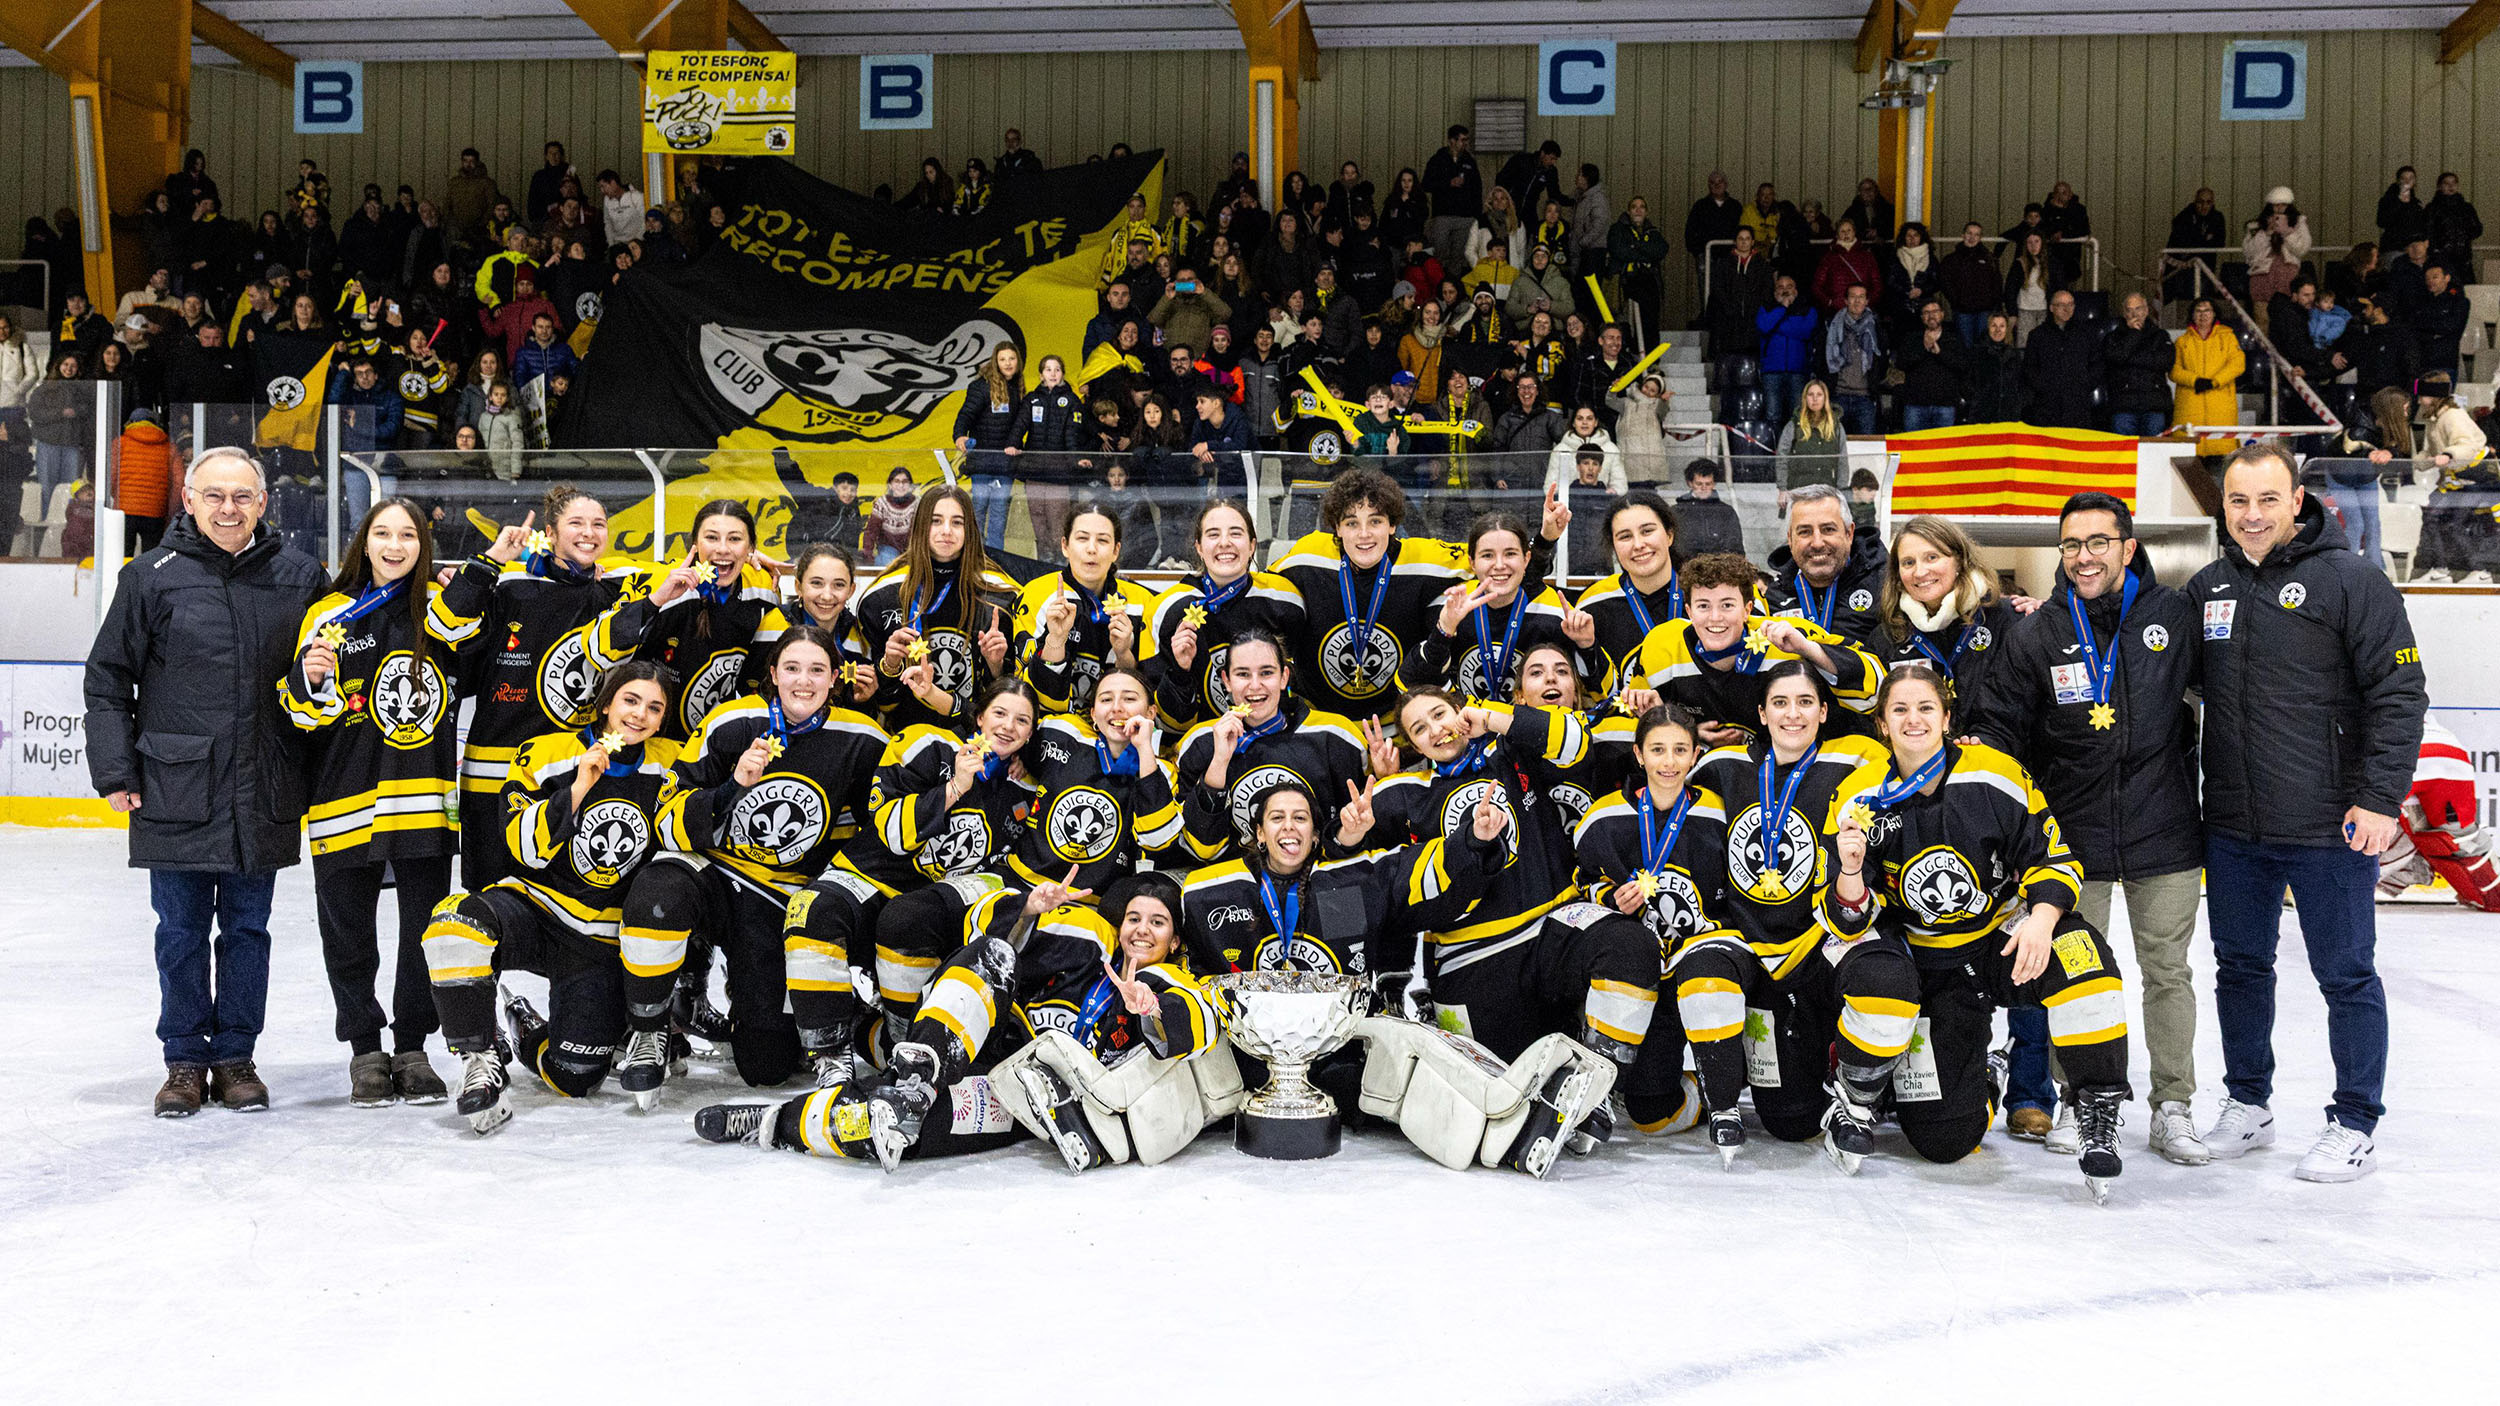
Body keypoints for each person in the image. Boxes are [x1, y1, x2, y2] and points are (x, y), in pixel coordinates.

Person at [2189, 441, 2424, 1182]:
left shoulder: (2353, 581)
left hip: (2332, 823)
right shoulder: (2209, 588)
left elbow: (2399, 694)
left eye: (2266, 500)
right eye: (2237, 501)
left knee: (2347, 974)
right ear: (2222, 506)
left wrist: (2381, 798)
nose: (2251, 516)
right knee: (2240, 968)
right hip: (2233, 824)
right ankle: (2248, 1103)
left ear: (2297, 500)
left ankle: (2354, 1119)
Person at [1824, 665, 2133, 1198]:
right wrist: (1850, 871)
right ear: (1882, 724)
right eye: (1900, 710)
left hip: (2000, 943)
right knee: (1945, 1141)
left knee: (2083, 956)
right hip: (1926, 969)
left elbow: (2054, 855)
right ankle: (1971, 1074)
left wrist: (2041, 917)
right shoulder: (1859, 795)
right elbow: (1844, 920)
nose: (1913, 720)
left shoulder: (1994, 772)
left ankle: (2098, 1112)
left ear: (1947, 718)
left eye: (1926, 708)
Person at [1967, 491, 2210, 1164]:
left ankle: (2174, 1106)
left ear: (2128, 548)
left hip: (2164, 831)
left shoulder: (2171, 616)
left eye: (2098, 542)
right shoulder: (2038, 630)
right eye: (2071, 545)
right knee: (2075, 976)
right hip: (2073, 840)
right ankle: (2082, 1100)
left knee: (2167, 973)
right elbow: (1997, 729)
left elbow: (2225, 692)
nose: (2083, 557)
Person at [85, 445, 327, 1117]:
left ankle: (236, 1058)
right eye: (213, 495)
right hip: (175, 785)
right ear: (189, 500)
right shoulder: (150, 575)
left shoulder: (300, 575)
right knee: (181, 931)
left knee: (249, 930)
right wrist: (114, 768)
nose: (228, 508)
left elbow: (341, 666)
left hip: (264, 783)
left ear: (262, 503)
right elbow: (108, 679)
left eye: (241, 496)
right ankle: (185, 1061)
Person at [709, 870, 1236, 1172]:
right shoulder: (1084, 945)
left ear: (1175, 940)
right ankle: (918, 1076)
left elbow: (1195, 1026)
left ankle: (774, 1122)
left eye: (1157, 923)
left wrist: (1150, 1010)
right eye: (1135, 919)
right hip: (972, 1039)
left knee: (891, 1130)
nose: (1142, 930)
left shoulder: (1173, 982)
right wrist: (1029, 912)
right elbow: (987, 935)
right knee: (997, 957)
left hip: (1016, 1097)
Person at [1606, 675, 1904, 1155]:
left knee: (1813, 1112)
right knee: (1791, 1121)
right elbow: (1666, 797)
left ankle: (1866, 1086)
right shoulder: (1724, 764)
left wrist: (1968, 743)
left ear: (1824, 713)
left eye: (1806, 703)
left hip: (1818, 943)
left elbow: (1919, 758)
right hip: (1747, 947)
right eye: (1780, 703)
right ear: (1761, 715)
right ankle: (1714, 1085)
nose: (1793, 714)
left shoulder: (1857, 760)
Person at [614, 625, 888, 1098]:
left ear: (835, 677)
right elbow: (665, 817)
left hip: (781, 899)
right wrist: (730, 787)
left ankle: (802, 1006)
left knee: (767, 1066)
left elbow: (875, 827)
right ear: (774, 674)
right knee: (658, 891)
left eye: (817, 670)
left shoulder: (861, 736)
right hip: (716, 878)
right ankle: (649, 1025)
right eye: (793, 669)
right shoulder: (731, 721)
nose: (804, 681)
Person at [421, 661, 682, 1134]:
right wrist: (578, 788)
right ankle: (479, 1055)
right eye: (630, 700)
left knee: (575, 1078)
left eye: (654, 707)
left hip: (602, 939)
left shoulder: (673, 763)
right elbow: (523, 848)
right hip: (536, 909)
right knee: (453, 926)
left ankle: (527, 1031)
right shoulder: (543, 753)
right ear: (605, 704)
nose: (640, 714)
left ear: (663, 720)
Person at [278, 498, 467, 1105]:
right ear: (364, 542)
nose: (394, 545)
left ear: (423, 545)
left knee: (423, 932)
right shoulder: (332, 613)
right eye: (382, 533)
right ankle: (365, 1049)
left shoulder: (439, 613)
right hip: (345, 798)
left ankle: (412, 1045)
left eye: (407, 534)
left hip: (422, 800)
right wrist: (312, 679)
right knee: (349, 932)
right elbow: (306, 713)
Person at [433, 484, 670, 891]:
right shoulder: (509, 581)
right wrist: (490, 560)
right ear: (551, 530)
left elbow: (703, 564)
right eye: (575, 523)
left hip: (570, 772)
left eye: (598, 524)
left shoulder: (617, 584)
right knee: (488, 895)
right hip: (495, 769)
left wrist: (752, 560)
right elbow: (443, 625)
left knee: (554, 899)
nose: (588, 533)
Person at [1272, 467, 1471, 720]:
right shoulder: (1306, 557)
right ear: (1337, 527)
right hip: (1318, 723)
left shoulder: (1429, 559)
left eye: (1375, 521)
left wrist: (1540, 541)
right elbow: (1259, 590)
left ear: (1392, 525)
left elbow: (1495, 559)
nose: (1364, 534)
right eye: (1352, 523)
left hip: (1396, 725)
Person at [1172, 626, 1368, 861]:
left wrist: (1387, 774)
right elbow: (1203, 849)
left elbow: (1357, 827)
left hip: (1319, 875)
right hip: (1242, 885)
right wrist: (1219, 762)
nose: (1255, 686)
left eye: (1266, 673)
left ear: (1284, 677)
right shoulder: (1200, 742)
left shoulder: (1335, 735)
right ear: (1226, 680)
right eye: (1243, 674)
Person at [854, 485, 1021, 733]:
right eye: (935, 521)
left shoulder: (1002, 594)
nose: (946, 531)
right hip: (906, 742)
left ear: (970, 529)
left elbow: (1014, 697)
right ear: (920, 525)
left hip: (978, 742)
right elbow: (877, 703)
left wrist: (996, 666)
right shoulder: (881, 597)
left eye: (957, 522)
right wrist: (890, 665)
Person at [1144, 499, 1307, 733]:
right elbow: (1168, 726)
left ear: (1252, 545)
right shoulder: (1169, 609)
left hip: (1274, 742)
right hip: (1204, 749)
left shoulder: (1284, 600)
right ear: (1198, 547)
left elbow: (1296, 692)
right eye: (1213, 534)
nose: (1224, 543)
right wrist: (1180, 672)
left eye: (1236, 533)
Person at [1404, 511, 1591, 703]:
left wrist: (1587, 645)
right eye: (1487, 555)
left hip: (1529, 729)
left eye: (1510, 554)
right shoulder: (1448, 607)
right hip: (1463, 728)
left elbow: (1591, 691)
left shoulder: (1553, 613)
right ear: (1472, 563)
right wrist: (1443, 632)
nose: (1499, 565)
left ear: (1526, 559)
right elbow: (1414, 686)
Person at [1872, 517, 2019, 734]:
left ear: (1959, 561)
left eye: (1932, 557)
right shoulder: (1887, 635)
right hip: (1918, 761)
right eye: (1908, 562)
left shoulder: (2004, 618)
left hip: (1994, 756)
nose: (1920, 572)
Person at [1011, 500, 1159, 715]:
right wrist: (1055, 641)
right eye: (1082, 538)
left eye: (1102, 540)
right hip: (1054, 727)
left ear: (1116, 550)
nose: (1092, 549)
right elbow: (1027, 695)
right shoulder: (1037, 595)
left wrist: (1123, 653)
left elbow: (1147, 697)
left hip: (1117, 727)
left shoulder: (1141, 602)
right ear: (1065, 546)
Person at [1763, 482, 1889, 645]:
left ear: (1849, 533)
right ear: (1790, 539)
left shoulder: (1885, 586)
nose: (1817, 543)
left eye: (1828, 529)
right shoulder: (1775, 596)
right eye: (1804, 532)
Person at [2407, 379, 2494, 584]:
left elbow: (2469, 444)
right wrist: (2420, 462)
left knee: (2454, 524)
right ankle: (2441, 568)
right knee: (2432, 519)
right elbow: (2430, 451)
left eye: (2423, 396)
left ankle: (2480, 571)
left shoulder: (2453, 416)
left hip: (2474, 480)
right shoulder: (2435, 419)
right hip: (2454, 481)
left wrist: (2449, 454)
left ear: (2434, 397)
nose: (2419, 401)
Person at [953, 344, 1025, 549]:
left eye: (1012, 358)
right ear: (996, 361)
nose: (1008, 363)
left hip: (1005, 462)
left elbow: (1019, 424)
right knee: (978, 509)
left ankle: (994, 557)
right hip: (982, 460)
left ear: (1018, 361)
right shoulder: (982, 386)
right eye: (1003, 359)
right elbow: (966, 414)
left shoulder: (1017, 386)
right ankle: (974, 554)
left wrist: (1017, 446)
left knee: (999, 512)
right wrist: (959, 435)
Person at [2170, 298, 2245, 459]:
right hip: (2189, 408)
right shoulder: (2182, 341)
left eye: (2207, 311)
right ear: (2192, 315)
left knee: (2219, 469)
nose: (2203, 315)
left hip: (2220, 409)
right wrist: (2195, 381)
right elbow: (2174, 370)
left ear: (2214, 314)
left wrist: (2215, 382)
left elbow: (2238, 364)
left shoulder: (2228, 337)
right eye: (2198, 311)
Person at [2022, 289, 2100, 430]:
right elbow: (2029, 368)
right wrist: (2044, 388)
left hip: (2078, 406)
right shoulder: (2037, 335)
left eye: (2070, 304)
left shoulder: (2086, 334)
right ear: (2052, 308)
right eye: (2061, 305)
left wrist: (2083, 386)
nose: (2066, 309)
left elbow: (2097, 365)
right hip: (2046, 407)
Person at [2101, 293, 2174, 438]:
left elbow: (2165, 362)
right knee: (2123, 454)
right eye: (2129, 310)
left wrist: (2130, 358)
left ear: (2146, 310)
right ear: (2123, 313)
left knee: (2155, 452)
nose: (2134, 314)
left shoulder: (2160, 336)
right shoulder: (2112, 337)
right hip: (2123, 406)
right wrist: (2133, 333)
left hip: (2154, 405)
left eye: (2138, 308)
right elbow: (2115, 358)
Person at [1754, 275, 1818, 431]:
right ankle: (1774, 453)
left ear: (1795, 290)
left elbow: (1805, 331)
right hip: (1771, 371)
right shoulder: (1765, 307)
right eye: (1780, 287)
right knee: (1772, 416)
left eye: (1789, 286)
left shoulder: (1807, 309)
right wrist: (1783, 308)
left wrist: (1777, 325)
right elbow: (1763, 326)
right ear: (1774, 291)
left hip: (1798, 371)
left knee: (1798, 416)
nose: (1785, 290)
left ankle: (1794, 452)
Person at [1822, 284, 1884, 435]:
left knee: (1865, 450)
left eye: (1861, 297)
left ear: (1867, 301)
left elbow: (1881, 359)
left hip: (1865, 398)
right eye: (1853, 297)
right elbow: (1822, 359)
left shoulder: (1875, 327)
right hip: (1838, 395)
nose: (1857, 301)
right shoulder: (1832, 325)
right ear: (1845, 301)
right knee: (1835, 447)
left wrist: (1874, 384)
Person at [1894, 298, 1964, 431]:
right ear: (1921, 317)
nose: (1931, 316)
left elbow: (1962, 365)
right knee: (1913, 449)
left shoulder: (1953, 338)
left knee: (1943, 450)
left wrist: (1940, 353)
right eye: (1926, 312)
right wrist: (1924, 349)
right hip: (1915, 405)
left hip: (1945, 406)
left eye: (1935, 311)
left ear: (1942, 314)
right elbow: (1901, 363)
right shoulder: (1912, 338)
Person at [1774, 379, 1849, 493]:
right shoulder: (1794, 425)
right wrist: (1782, 489)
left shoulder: (1836, 427)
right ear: (1805, 398)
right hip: (1798, 490)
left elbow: (1842, 460)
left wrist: (1841, 491)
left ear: (1825, 398)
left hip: (1827, 491)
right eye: (1810, 395)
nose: (1815, 398)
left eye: (1819, 395)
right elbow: (1782, 456)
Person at [1674, 459, 1744, 560]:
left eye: (1708, 484)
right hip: (1685, 569)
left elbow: (1735, 548)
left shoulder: (1726, 512)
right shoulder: (1677, 512)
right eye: (1699, 484)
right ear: (1690, 483)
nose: (1703, 488)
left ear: (1714, 484)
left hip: (1719, 570)